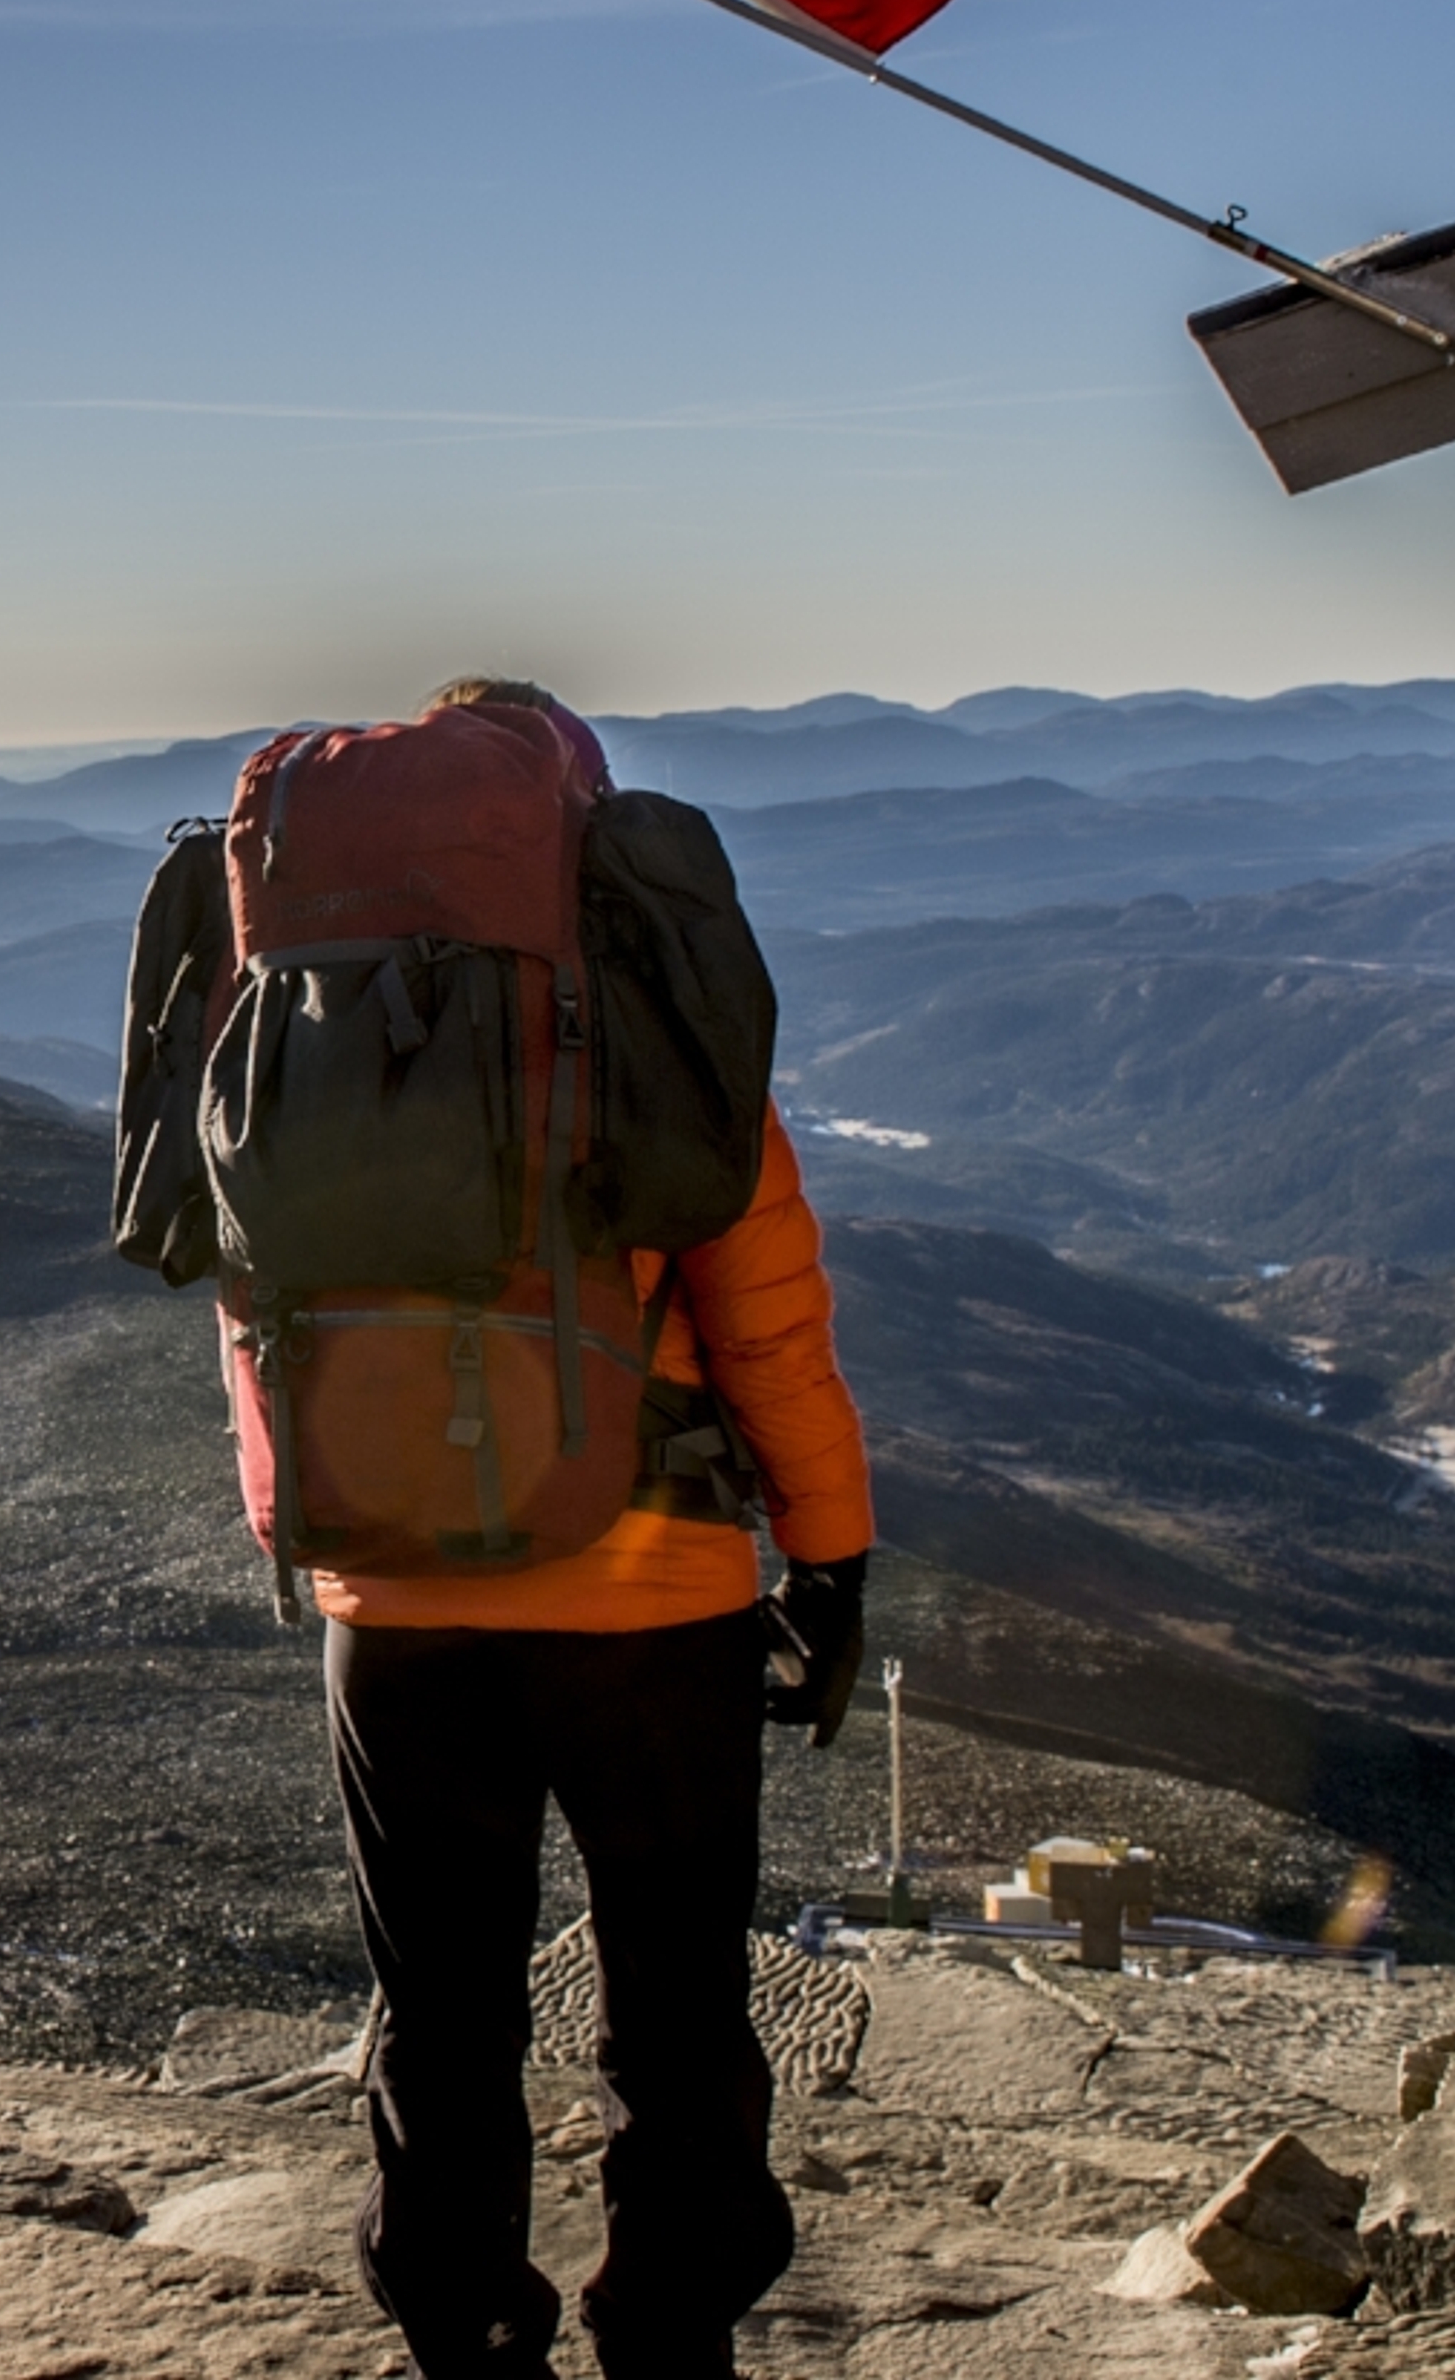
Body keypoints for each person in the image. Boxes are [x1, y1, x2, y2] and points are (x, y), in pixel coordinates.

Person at [300, 677, 876, 2380]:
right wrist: (829, 1555)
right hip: (645, 1599)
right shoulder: (646, 1009)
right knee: (677, 2002)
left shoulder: (305, 1021)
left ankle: (465, 2329)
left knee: (442, 2002)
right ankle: (667, 2324)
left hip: (391, 1607)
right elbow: (764, 1312)